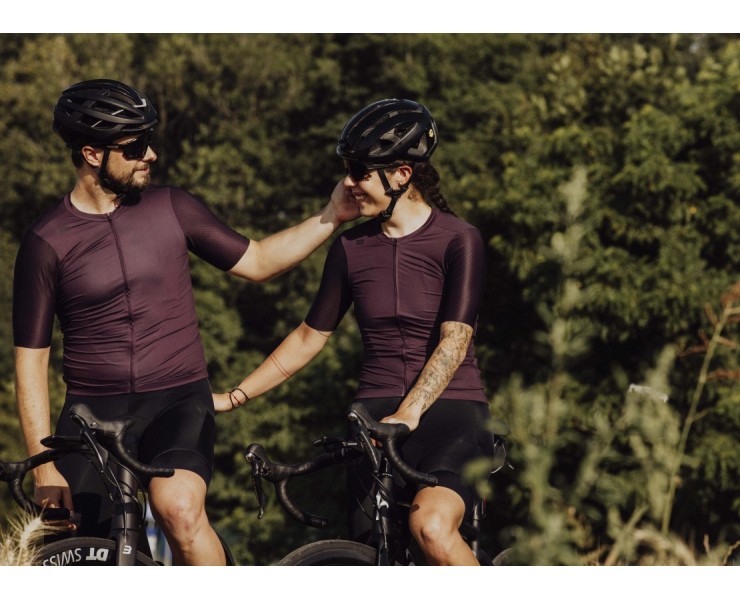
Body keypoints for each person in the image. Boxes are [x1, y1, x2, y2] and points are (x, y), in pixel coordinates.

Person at [12, 79, 358, 565]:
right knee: (83, 554)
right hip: (91, 415)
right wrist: (44, 467)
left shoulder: (172, 207)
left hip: (176, 401)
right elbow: (30, 363)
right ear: (91, 154)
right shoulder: (46, 241)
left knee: (178, 509)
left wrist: (332, 214)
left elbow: (259, 261)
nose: (150, 155)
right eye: (134, 148)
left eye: (149, 142)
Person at [213, 98, 494, 566]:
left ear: (402, 174)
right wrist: (234, 396)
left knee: (430, 527)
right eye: (347, 170)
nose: (348, 182)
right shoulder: (350, 248)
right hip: (373, 422)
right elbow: (309, 337)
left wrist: (408, 413)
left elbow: (455, 340)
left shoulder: (458, 239)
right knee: (373, 559)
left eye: (360, 171)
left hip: (450, 416)